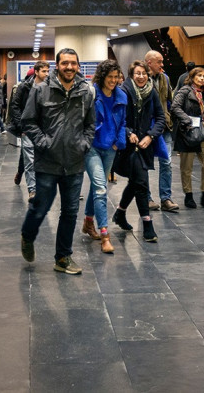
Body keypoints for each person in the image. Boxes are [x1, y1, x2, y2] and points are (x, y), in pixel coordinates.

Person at [20, 48, 96, 275]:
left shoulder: (86, 92)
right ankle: (28, 235)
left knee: (71, 211)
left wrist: (84, 144)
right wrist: (44, 143)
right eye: (65, 63)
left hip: (74, 161)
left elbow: (91, 124)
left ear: (78, 65)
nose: (70, 67)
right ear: (57, 65)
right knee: (40, 206)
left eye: (73, 63)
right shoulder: (41, 90)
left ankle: (63, 258)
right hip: (48, 161)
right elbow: (28, 121)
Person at [113, 60, 164, 242]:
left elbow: (161, 117)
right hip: (126, 147)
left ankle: (120, 213)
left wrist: (150, 136)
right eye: (137, 73)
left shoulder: (152, 92)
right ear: (131, 76)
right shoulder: (123, 91)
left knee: (136, 182)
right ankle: (147, 225)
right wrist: (128, 133)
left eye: (144, 73)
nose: (141, 76)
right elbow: (117, 118)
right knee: (141, 183)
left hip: (144, 145)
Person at [81, 59, 127, 254]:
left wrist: (119, 142)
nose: (114, 80)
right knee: (101, 188)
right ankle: (105, 234)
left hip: (110, 147)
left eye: (116, 77)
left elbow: (123, 121)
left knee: (97, 186)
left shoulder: (121, 96)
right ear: (102, 76)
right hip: (92, 147)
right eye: (110, 77)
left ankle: (88, 222)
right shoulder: (91, 94)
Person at [170, 66, 204, 209]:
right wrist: (187, 120)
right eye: (199, 76)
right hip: (188, 132)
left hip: (203, 131)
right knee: (187, 167)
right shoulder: (185, 91)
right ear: (192, 77)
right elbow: (175, 107)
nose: (202, 78)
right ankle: (188, 195)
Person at [11, 61, 50, 201]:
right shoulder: (24, 87)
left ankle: (24, 176)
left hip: (43, 129)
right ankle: (32, 190)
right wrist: (21, 127)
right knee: (30, 160)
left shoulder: (49, 88)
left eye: (48, 71)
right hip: (28, 129)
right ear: (36, 71)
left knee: (40, 159)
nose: (46, 74)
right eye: (44, 71)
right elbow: (15, 107)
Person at [145, 50, 178, 212]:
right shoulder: (141, 78)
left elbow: (170, 100)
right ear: (149, 62)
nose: (162, 65)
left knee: (167, 163)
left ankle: (165, 198)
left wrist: (168, 116)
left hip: (164, 127)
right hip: (146, 129)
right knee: (145, 164)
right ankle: (147, 198)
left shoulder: (165, 78)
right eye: (159, 61)